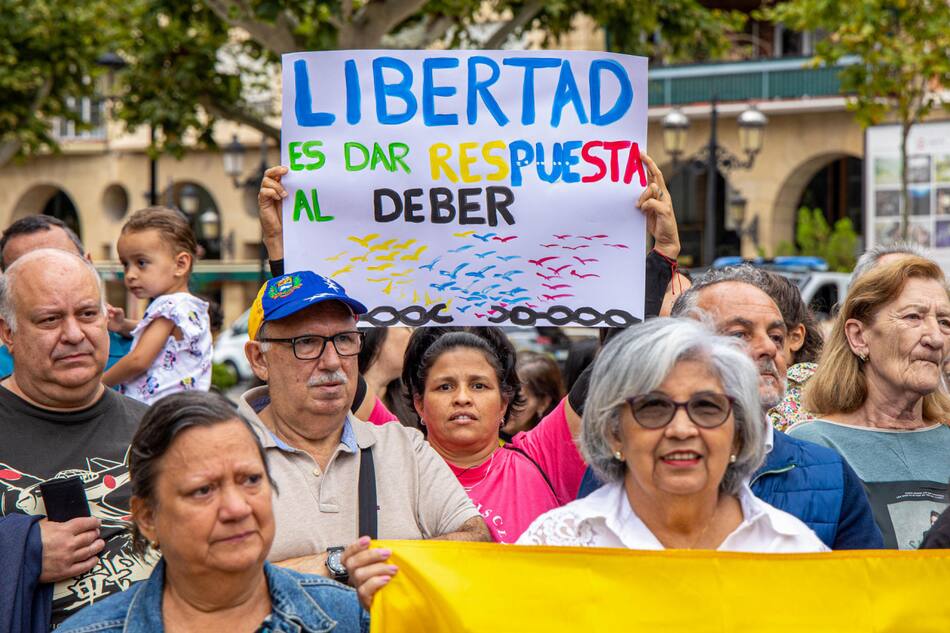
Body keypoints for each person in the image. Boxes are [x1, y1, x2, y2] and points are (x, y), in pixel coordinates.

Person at [239, 270, 488, 574]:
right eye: (306, 342)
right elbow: (207, 586)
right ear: (259, 359)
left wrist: (364, 563)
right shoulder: (219, 455)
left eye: (344, 339)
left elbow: (477, 541)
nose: (332, 361)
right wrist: (338, 565)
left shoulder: (404, 447)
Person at [58, 391, 369, 633]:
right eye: (203, 490)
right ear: (148, 518)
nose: (237, 508)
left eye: (251, 480)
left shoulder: (346, 616)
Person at [516, 318, 827, 551]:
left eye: (706, 407)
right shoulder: (557, 547)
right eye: (653, 407)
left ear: (739, 434)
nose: (681, 429)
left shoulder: (791, 549)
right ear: (614, 433)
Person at [666, 265, 882, 549]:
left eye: (777, 336)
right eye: (740, 334)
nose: (768, 347)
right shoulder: (637, 463)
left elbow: (866, 588)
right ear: (683, 349)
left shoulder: (830, 474)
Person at [0, 249, 152, 626]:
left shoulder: (159, 431)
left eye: (87, 314)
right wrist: (24, 553)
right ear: (7, 333)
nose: (73, 334)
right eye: (50, 319)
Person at [793, 256, 950, 549]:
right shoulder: (814, 447)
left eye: (945, 322)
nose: (935, 338)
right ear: (858, 336)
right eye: (913, 317)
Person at [402, 326, 586, 543]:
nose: (462, 398)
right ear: (419, 404)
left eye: (479, 386)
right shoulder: (394, 467)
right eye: (445, 387)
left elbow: (611, 369)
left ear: (503, 404)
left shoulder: (541, 457)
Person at [103, 207, 212, 403]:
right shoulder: (186, 306)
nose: (130, 274)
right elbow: (160, 339)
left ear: (180, 264)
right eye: (125, 264)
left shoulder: (168, 307)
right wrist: (123, 325)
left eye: (141, 263)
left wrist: (98, 385)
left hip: (153, 412)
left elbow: (138, 360)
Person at [0, 214, 133, 374]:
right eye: (25, 269)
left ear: (88, 264)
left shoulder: (153, 354)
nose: (50, 278)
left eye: (64, 261)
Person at [760, 271, 823, 431]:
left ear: (795, 337)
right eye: (739, 335)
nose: (760, 348)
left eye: (773, 336)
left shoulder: (801, 397)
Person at [357, 326, 413, 425]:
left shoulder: (409, 401)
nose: (412, 334)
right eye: (406, 327)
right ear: (377, 340)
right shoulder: (342, 400)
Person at [503, 350, 565, 437]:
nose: (505, 405)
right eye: (502, 393)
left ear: (543, 403)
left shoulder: (553, 444)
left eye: (519, 399)